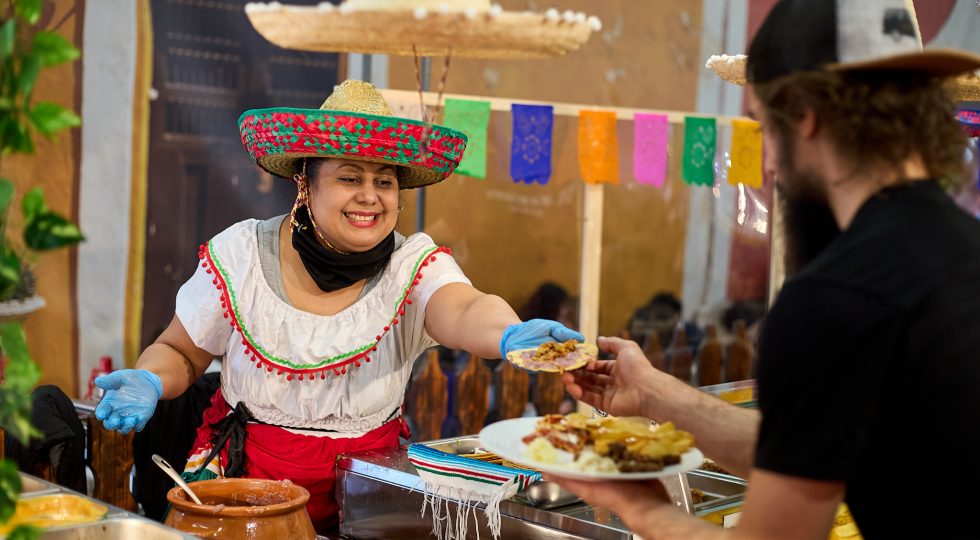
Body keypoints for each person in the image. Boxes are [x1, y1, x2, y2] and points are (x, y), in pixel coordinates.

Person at [550, 1, 980, 538]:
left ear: (805, 113)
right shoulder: (960, 248)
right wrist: (657, 394)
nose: (769, 163)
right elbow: (808, 445)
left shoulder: (835, 298)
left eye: (764, 127)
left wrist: (638, 506)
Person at [93, 80, 581, 532]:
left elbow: (462, 308)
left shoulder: (411, 264)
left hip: (368, 499)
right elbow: (181, 351)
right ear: (306, 182)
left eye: (385, 182)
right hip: (242, 491)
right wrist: (151, 379)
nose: (370, 197)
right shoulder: (242, 254)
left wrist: (507, 333)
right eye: (350, 178)